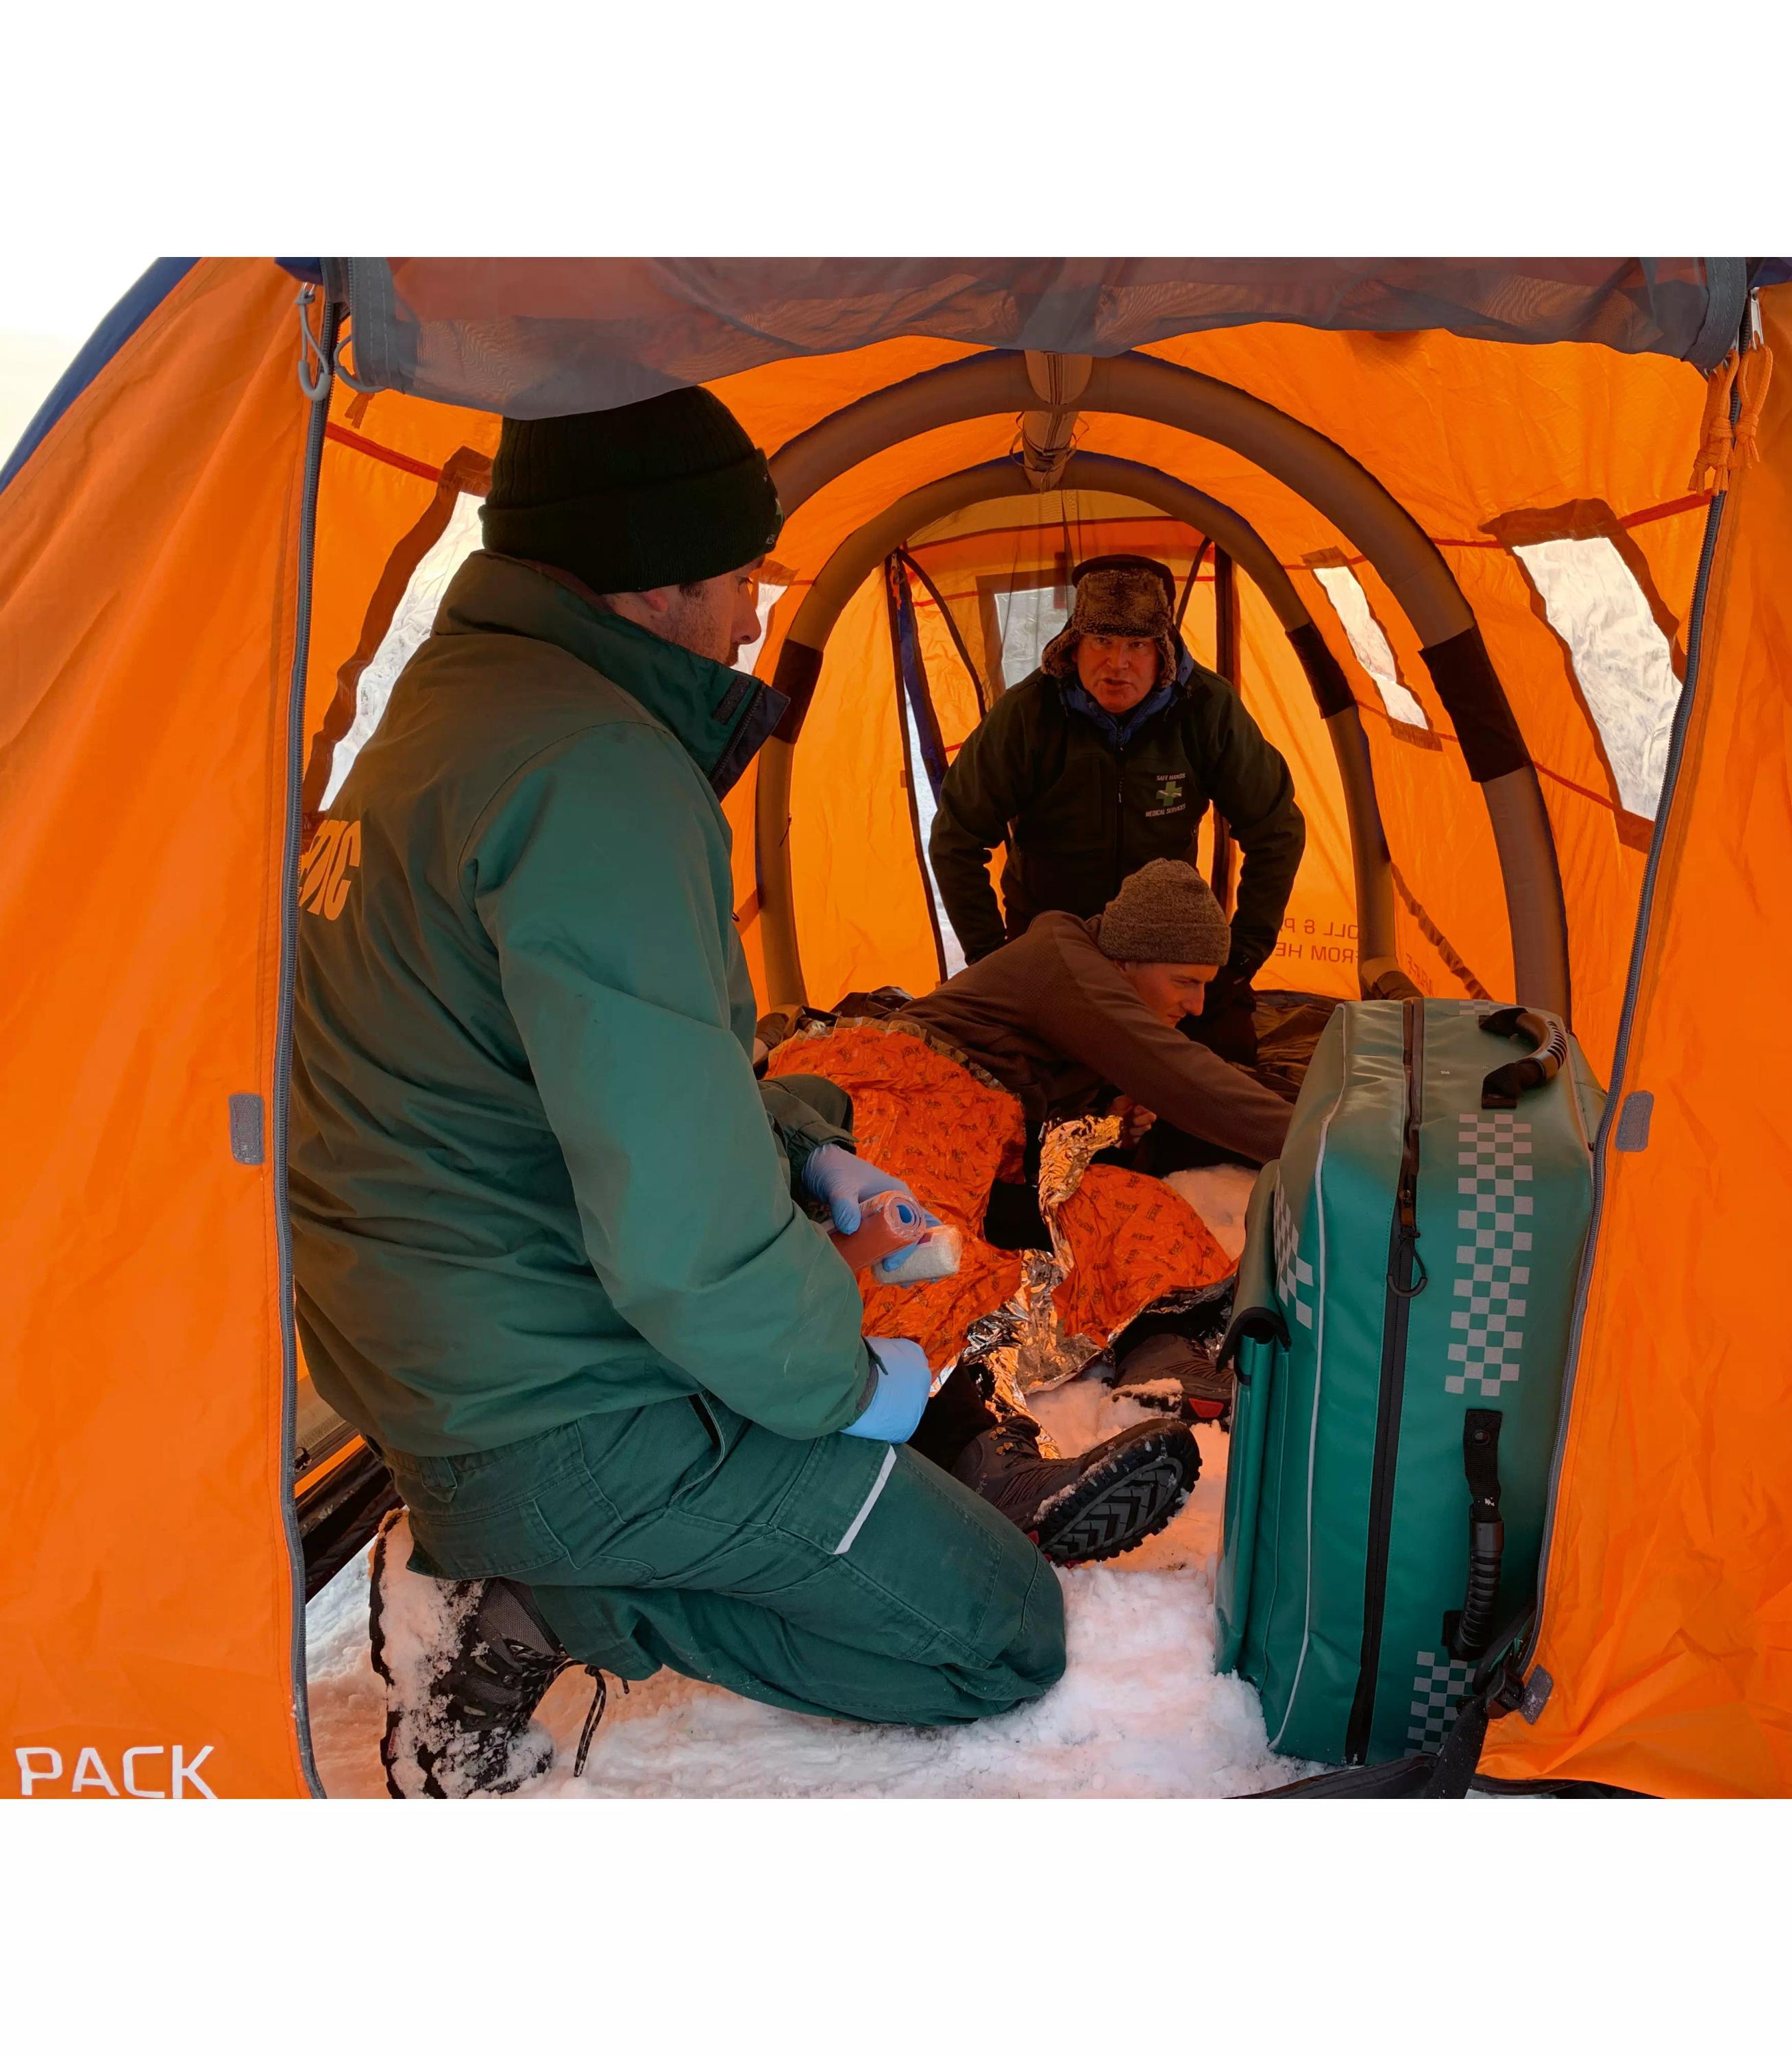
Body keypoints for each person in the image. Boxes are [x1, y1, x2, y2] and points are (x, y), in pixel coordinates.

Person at [290, 387, 1194, 1799]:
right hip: (563, 1410)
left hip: (440, 1363)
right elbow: (679, 1232)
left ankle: (585, 1539)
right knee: (1000, 1633)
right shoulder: (596, 773)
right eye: (744, 575)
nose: (760, 611)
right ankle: (524, 1598)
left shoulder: (456, 722)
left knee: (856, 1393)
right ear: (659, 581)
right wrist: (845, 1389)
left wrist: (804, 1145)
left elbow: (592, 1080)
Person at [764, 861, 1295, 1443]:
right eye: (1185, 980)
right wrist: (1320, 1136)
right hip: (901, 1088)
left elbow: (1046, 1108)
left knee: (1139, 1208)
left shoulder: (1094, 992)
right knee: (909, 1245)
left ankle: (1164, 1356)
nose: (1197, 1005)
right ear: (1127, 958)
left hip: (987, 1140)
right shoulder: (1067, 963)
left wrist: (1105, 1122)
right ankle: (959, 1440)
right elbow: (1191, 1082)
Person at [927, 554, 1305, 1062]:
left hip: (1172, 942)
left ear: (1164, 651)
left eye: (1137, 645)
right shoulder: (1027, 715)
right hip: (1050, 939)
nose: (1117, 664)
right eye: (1101, 641)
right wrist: (992, 958)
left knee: (1223, 1067)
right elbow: (957, 837)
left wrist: (1239, 957)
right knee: (1027, 1081)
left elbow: (1275, 829)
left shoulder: (1207, 709)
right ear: (1074, 645)